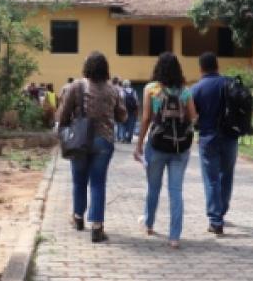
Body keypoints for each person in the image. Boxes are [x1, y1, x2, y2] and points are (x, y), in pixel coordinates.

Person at [58, 52, 127, 243]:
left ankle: (78, 218)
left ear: (86, 67)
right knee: (98, 182)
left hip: (80, 140)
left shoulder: (76, 87)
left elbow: (62, 115)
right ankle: (97, 227)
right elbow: (123, 116)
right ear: (106, 69)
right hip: (103, 141)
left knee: (79, 180)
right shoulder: (113, 90)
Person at [134, 52, 196, 249]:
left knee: (153, 188)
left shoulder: (151, 89)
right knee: (176, 191)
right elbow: (193, 117)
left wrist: (139, 144)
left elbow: (145, 119)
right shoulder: (185, 92)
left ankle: (149, 224)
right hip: (180, 147)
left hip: (157, 144)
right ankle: (175, 236)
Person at [192, 52, 238, 236]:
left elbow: (192, 116)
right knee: (226, 176)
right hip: (230, 137)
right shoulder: (230, 83)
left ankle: (216, 220)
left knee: (211, 179)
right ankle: (221, 211)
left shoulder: (197, 88)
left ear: (201, 68)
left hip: (208, 138)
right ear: (217, 66)